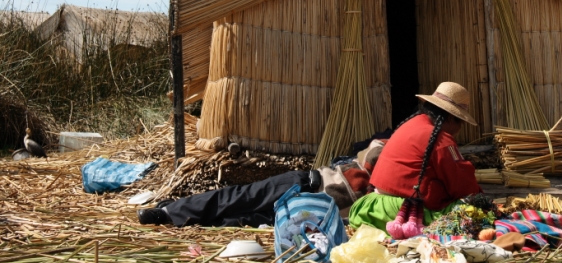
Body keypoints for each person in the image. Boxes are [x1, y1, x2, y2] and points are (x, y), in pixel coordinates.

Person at [137, 140, 384, 227]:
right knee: (239, 198)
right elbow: (373, 155)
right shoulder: (395, 146)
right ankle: (168, 212)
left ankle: (185, 220)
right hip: (312, 185)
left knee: (242, 221)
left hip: (316, 213)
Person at [349, 81, 481, 233]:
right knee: (475, 211)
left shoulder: (410, 124)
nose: (459, 129)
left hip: (371, 209)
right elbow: (464, 187)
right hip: (405, 213)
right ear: (451, 118)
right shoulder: (441, 140)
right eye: (461, 122)